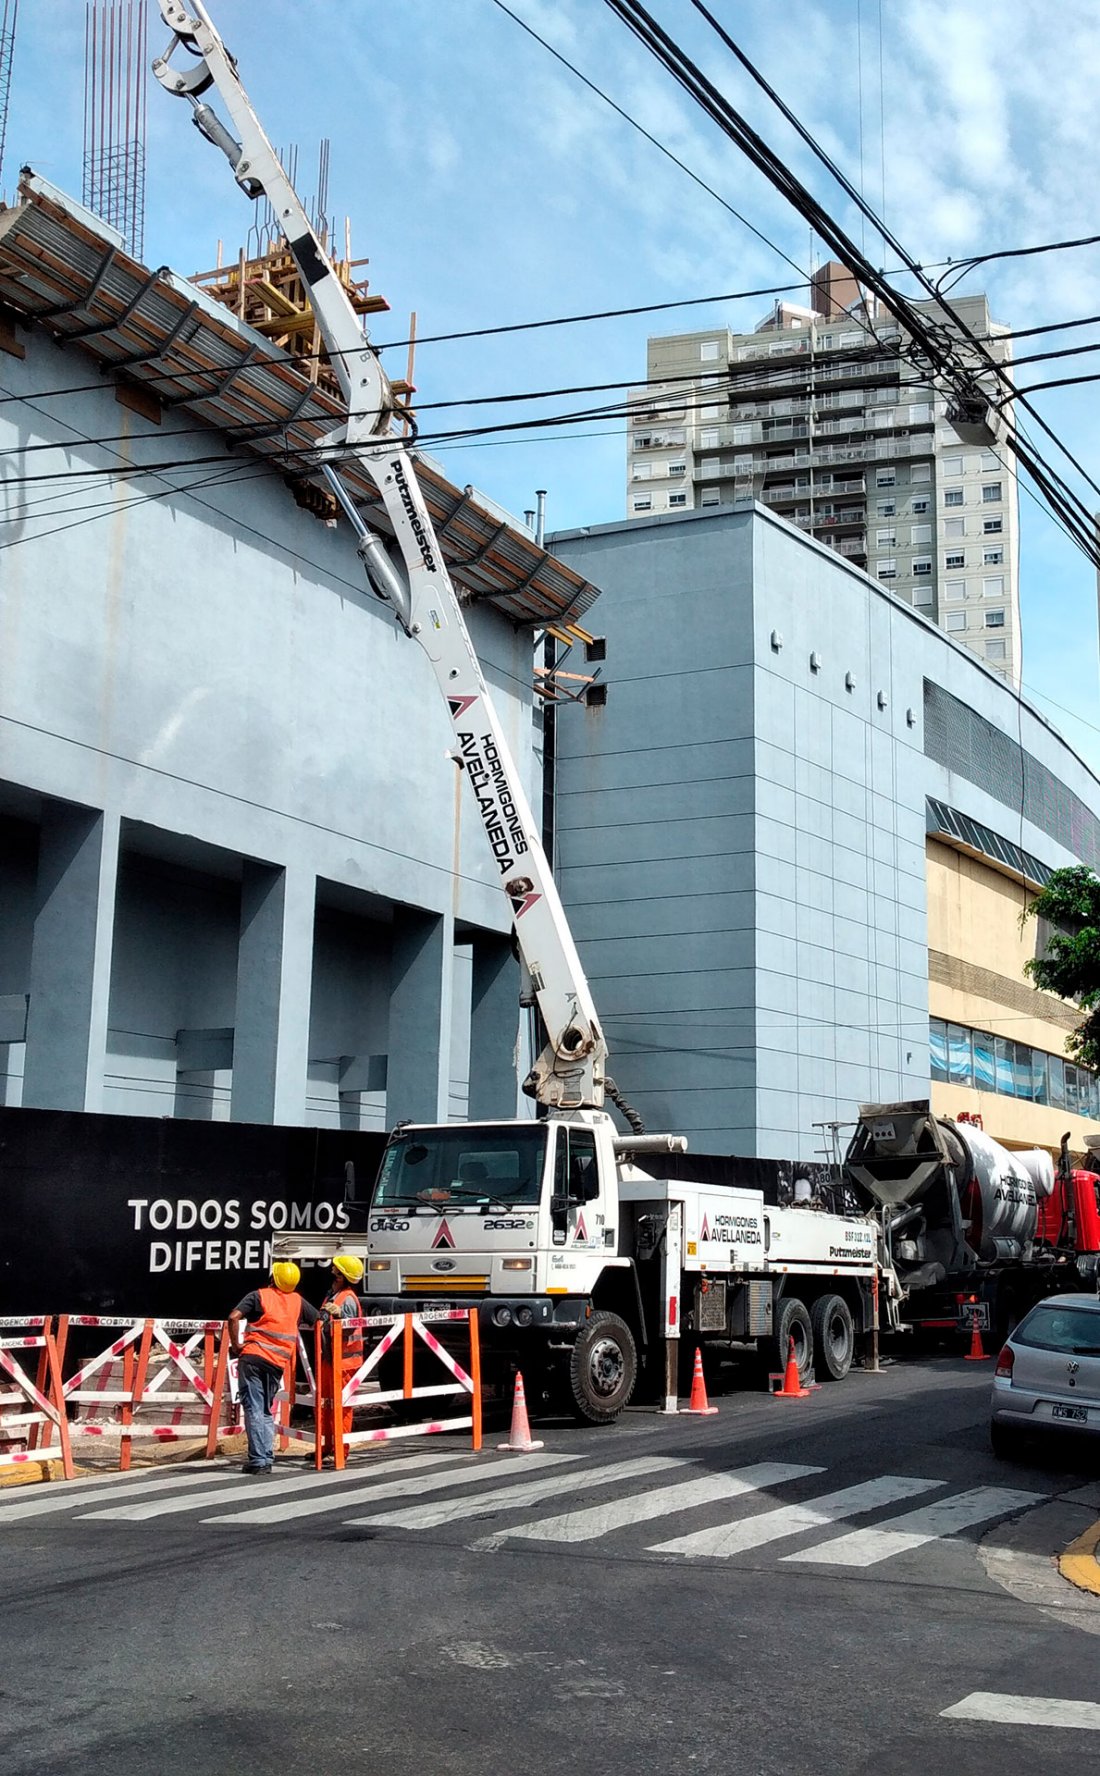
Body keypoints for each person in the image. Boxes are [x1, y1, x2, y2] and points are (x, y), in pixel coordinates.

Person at [228, 1261, 321, 1475]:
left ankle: (258, 1461)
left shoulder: (259, 1296)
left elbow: (233, 1317)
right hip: (277, 1364)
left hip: (253, 1358)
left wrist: (236, 1345)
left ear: (273, 1278)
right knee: (265, 1410)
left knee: (254, 1408)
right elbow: (318, 1319)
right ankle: (266, 1457)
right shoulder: (297, 1301)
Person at [321, 1254, 365, 1455]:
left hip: (344, 1363)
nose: (331, 1272)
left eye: (335, 1270)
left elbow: (348, 1329)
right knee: (326, 1404)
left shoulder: (347, 1299)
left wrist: (339, 1315)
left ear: (342, 1276)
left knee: (342, 1407)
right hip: (330, 1359)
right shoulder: (333, 1295)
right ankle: (327, 1446)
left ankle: (341, 1449)